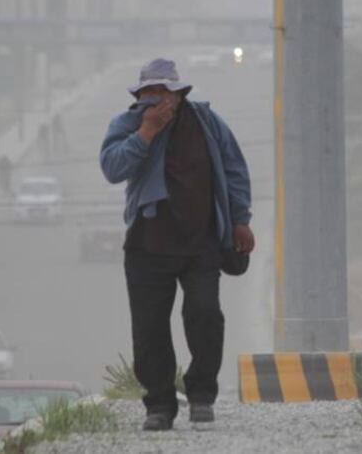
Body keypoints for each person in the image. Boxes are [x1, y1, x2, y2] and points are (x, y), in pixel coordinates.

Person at [99, 58, 254, 431]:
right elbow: (112, 168)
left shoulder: (207, 124)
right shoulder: (127, 125)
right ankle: (159, 405)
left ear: (179, 94)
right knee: (150, 329)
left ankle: (201, 395)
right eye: (148, 95)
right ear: (139, 98)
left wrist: (239, 220)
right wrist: (146, 133)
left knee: (205, 315)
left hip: (200, 243)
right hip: (146, 247)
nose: (156, 101)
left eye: (163, 93)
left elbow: (234, 170)